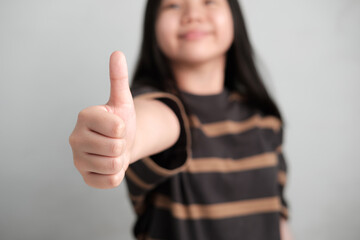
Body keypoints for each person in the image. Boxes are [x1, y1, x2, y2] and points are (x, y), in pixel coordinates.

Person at [69, 0, 294, 239]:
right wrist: (123, 140)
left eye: (209, 1)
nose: (192, 14)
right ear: (152, 26)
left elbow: (277, 218)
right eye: (173, 5)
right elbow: (157, 122)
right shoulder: (156, 108)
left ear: (234, 16)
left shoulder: (265, 121)